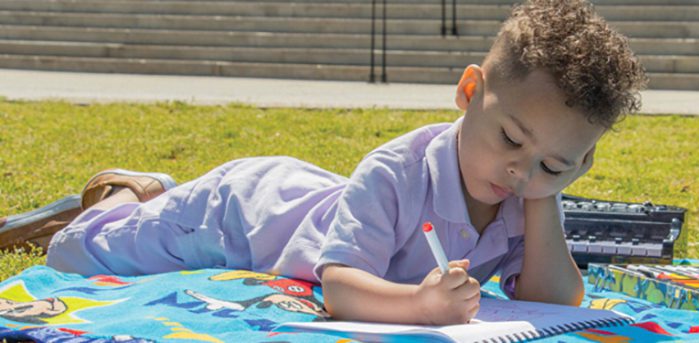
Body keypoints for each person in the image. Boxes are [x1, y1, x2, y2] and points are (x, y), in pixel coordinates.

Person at [0, 0, 646, 325]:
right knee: (74, 256)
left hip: (307, 203)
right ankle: (123, 194)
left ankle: (141, 195)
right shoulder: (397, 170)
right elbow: (340, 287)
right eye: (511, 139)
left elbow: (554, 299)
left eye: (557, 163)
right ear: (470, 91)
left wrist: (546, 195)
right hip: (238, 214)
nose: (522, 172)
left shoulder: (526, 193)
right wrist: (420, 305)